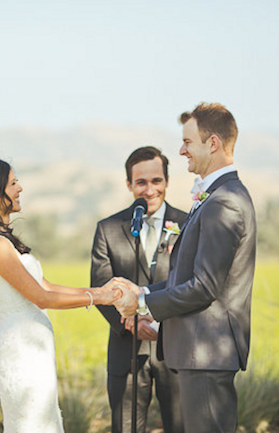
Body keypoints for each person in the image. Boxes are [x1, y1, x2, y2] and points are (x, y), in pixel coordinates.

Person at [114, 103, 257, 433]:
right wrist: (143, 291)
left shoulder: (225, 202)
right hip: (197, 354)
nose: (181, 150)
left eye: (188, 142)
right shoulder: (217, 196)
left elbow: (205, 287)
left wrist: (143, 304)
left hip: (207, 352)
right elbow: (187, 276)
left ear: (213, 144)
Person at [0, 157, 124, 433]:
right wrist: (99, 299)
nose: (20, 188)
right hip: (21, 356)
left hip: (34, 353)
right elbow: (42, 298)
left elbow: (47, 286)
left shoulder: (3, 243)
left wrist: (101, 291)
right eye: (13, 183)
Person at [91, 146, 186, 433]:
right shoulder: (108, 229)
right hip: (126, 351)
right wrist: (131, 322)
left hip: (176, 346)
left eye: (156, 181)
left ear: (166, 181)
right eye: (141, 182)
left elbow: (190, 282)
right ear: (129, 184)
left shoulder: (189, 224)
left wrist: (155, 315)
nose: (149, 189)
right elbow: (100, 286)